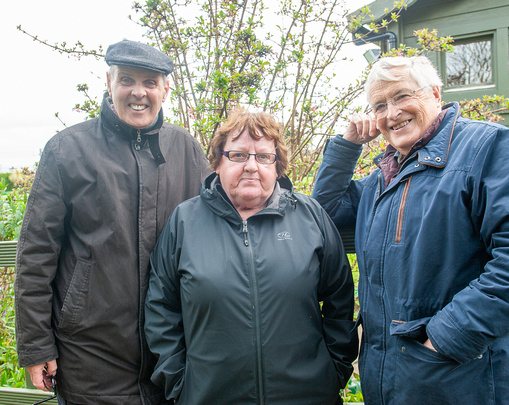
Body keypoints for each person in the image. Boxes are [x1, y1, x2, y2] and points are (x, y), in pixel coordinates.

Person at [312, 56, 509, 404]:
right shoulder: (382, 179)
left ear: (435, 94)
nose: (391, 113)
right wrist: (346, 148)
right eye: (379, 105)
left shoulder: (488, 149)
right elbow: (323, 214)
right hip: (393, 383)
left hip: (467, 380)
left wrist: (445, 338)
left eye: (402, 96)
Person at [15, 39, 210, 404]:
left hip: (171, 353)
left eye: (150, 82)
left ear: (165, 90)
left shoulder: (186, 150)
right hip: (89, 356)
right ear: (109, 83)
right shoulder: (66, 151)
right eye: (127, 80)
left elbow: (221, 224)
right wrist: (36, 344)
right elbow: (36, 254)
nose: (139, 93)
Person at [144, 108, 358, 404]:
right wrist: (181, 383)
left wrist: (333, 370)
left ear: (277, 166)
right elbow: (161, 309)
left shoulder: (309, 217)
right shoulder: (184, 222)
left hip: (307, 396)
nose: (251, 166)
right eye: (239, 155)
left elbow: (340, 299)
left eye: (264, 157)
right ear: (218, 162)